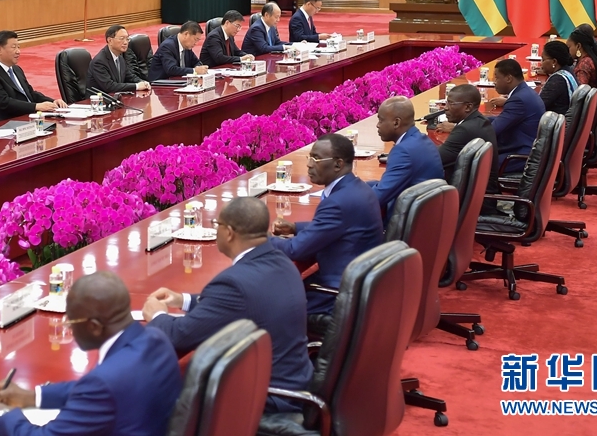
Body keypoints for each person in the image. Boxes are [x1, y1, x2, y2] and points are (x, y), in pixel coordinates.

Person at [142, 197, 313, 413]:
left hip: (269, 398)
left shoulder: (234, 283)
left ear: (229, 233)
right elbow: (242, 300)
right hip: (298, 383)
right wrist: (183, 300)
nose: (216, 230)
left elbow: (180, 335)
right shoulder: (282, 261)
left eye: (217, 225)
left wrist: (158, 315)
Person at [0, 271, 182, 436]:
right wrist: (33, 396)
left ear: (94, 326)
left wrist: (0, 416)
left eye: (71, 321)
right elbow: (93, 392)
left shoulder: (104, 383)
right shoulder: (157, 339)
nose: (68, 327)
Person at [270, 134, 384, 314]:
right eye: (310, 157)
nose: (309, 164)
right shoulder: (358, 187)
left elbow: (296, 249)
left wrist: (259, 238)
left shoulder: (337, 202)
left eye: (316, 159)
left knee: (270, 307)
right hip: (359, 283)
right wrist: (295, 228)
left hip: (338, 293)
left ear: (338, 164)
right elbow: (338, 226)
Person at [368, 96, 444, 221]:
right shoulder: (422, 139)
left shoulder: (403, 152)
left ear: (396, 123)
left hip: (409, 224)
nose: (377, 125)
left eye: (381, 120)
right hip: (429, 218)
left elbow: (377, 198)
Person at [434, 84, 500, 213]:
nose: (445, 108)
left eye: (451, 103)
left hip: (473, 203)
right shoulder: (479, 121)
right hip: (480, 196)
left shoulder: (465, 130)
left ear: (468, 107)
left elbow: (435, 159)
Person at [0, 31, 65, 124]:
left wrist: (53, 102)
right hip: (10, 123)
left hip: (30, 118)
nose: (18, 51)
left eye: (18, 47)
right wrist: (36, 106)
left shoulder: (16, 69)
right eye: (13, 47)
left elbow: (30, 93)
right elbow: (4, 103)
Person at [487, 59, 545, 170]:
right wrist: (475, 121)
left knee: (475, 163)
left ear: (508, 78)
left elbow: (492, 130)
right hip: (527, 148)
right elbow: (501, 119)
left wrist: (464, 131)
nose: (494, 82)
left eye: (497, 78)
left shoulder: (518, 100)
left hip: (521, 156)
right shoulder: (525, 91)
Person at [87, 25, 150, 95]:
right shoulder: (99, 62)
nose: (125, 42)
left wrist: (142, 82)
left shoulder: (120, 57)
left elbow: (129, 76)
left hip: (115, 97)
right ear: (110, 40)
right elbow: (109, 86)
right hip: (99, 99)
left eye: (127, 39)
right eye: (121, 39)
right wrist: (137, 86)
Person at [538, 40, 579, 115]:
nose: (541, 63)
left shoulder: (557, 80)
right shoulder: (568, 70)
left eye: (543, 59)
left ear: (554, 61)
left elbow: (537, 107)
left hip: (556, 120)